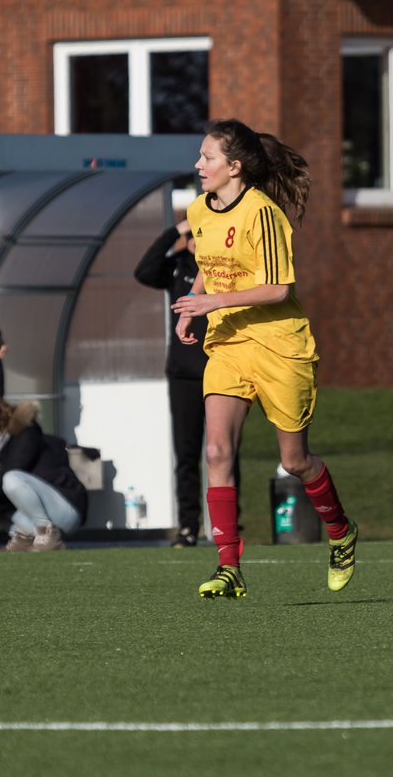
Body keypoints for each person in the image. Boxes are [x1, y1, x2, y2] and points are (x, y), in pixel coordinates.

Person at [171, 118, 357, 598]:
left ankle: (340, 531)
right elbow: (207, 267)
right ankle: (228, 567)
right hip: (229, 342)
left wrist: (211, 302)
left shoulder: (262, 214)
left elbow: (278, 289)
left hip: (279, 346)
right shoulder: (198, 210)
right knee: (216, 451)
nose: (198, 165)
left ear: (234, 166)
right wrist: (193, 305)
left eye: (207, 157)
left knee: (294, 462)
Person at [135, 218, 241, 548]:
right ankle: (188, 526)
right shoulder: (178, 266)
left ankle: (230, 527)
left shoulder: (224, 267)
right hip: (183, 373)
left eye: (201, 233)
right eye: (193, 234)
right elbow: (145, 271)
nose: (197, 240)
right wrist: (175, 231)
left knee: (225, 451)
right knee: (187, 453)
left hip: (221, 368)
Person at [0, 393, 88, 552]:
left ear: (1, 412)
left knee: (10, 478)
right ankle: (23, 537)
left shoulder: (24, 432)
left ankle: (47, 533)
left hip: (64, 507)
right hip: (31, 518)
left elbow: (12, 471)